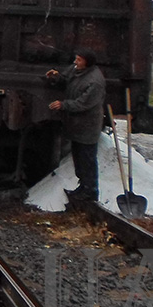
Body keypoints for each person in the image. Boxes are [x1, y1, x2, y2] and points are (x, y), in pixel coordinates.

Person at [46, 48, 106, 202]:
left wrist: (63, 105)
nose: (75, 62)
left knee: (87, 159)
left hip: (88, 126)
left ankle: (91, 190)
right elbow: (65, 79)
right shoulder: (76, 70)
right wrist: (56, 77)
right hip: (77, 125)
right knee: (78, 158)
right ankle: (82, 186)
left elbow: (83, 104)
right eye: (76, 59)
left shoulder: (95, 81)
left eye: (79, 60)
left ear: (87, 62)